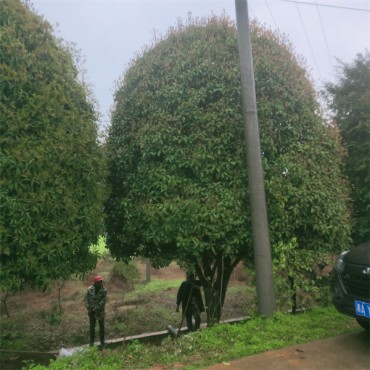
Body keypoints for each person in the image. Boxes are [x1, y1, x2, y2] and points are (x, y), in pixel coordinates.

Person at [84, 275, 107, 347]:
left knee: (101, 326)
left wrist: (96, 308)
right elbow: (85, 299)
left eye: (101, 281)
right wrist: (88, 307)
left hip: (100, 311)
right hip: (91, 311)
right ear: (95, 282)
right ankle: (91, 342)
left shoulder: (104, 290)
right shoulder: (89, 289)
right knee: (92, 327)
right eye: (99, 282)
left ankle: (102, 342)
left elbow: (103, 301)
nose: (100, 283)